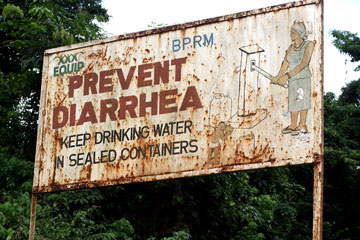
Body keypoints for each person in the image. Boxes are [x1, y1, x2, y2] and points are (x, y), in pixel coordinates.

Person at [272, 21, 314, 135]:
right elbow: (285, 63)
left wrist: (287, 76)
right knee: (293, 101)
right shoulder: (291, 47)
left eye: (293, 32)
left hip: (303, 77)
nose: (290, 34)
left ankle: (302, 124)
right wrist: (278, 77)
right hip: (292, 79)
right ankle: (293, 124)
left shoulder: (309, 44)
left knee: (302, 100)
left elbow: (304, 63)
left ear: (300, 33)